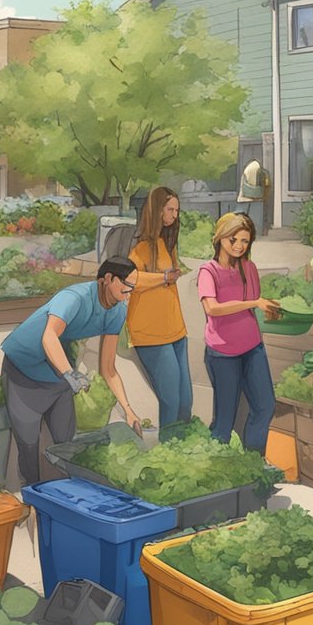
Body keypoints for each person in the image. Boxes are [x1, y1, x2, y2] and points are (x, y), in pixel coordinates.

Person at [0, 257, 142, 487]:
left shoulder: (117, 311)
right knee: (28, 443)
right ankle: (33, 497)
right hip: (24, 368)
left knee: (65, 441)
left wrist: (128, 410)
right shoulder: (74, 298)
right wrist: (69, 373)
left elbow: (108, 368)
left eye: (134, 288)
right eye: (127, 285)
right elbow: (49, 336)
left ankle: (64, 494)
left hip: (58, 370)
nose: (130, 292)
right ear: (108, 279)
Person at [197, 213, 280, 454]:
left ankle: (254, 461)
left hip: (253, 348)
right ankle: (216, 469)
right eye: (233, 239)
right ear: (220, 237)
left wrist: (270, 310)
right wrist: (254, 303)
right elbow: (212, 308)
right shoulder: (208, 271)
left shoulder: (249, 268)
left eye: (245, 241)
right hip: (222, 353)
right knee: (224, 421)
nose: (239, 246)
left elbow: (255, 306)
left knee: (265, 406)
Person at [127, 186, 192, 439]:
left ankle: (183, 449)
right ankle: (169, 451)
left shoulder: (167, 244)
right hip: (151, 334)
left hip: (176, 330)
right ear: (157, 210)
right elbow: (131, 278)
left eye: (177, 210)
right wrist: (162, 277)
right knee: (171, 400)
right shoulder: (141, 248)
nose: (175, 215)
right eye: (170, 209)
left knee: (185, 401)